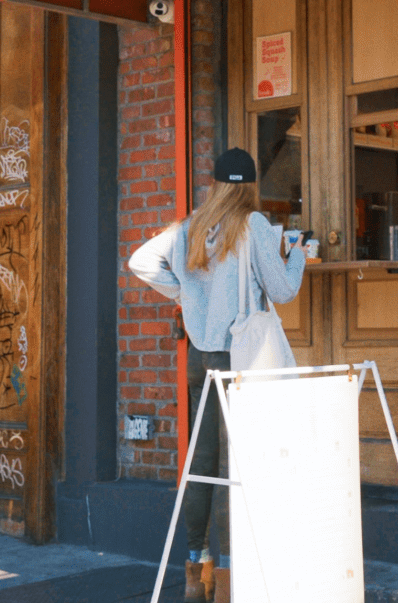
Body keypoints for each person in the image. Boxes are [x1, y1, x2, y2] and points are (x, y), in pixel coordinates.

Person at [128, 147, 306, 603]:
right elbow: (283, 289)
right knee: (241, 464)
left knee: (203, 463)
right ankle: (230, 577)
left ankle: (196, 571)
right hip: (239, 359)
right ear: (250, 187)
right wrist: (299, 253)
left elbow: (139, 262)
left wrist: (184, 294)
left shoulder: (190, 227)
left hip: (199, 360)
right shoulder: (254, 227)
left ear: (215, 184)